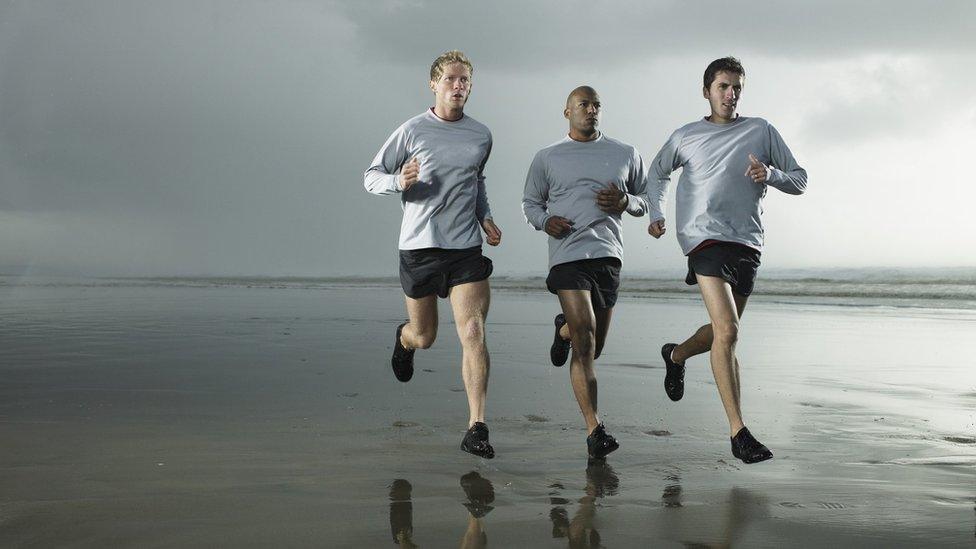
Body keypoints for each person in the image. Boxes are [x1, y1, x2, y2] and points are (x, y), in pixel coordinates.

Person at [646, 56, 807, 464]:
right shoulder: (687, 135)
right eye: (723, 86)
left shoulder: (761, 130)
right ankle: (738, 432)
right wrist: (657, 212)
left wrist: (770, 175)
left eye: (736, 87)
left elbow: (800, 179)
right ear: (707, 91)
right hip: (703, 238)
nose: (730, 94)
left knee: (724, 332)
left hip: (747, 242)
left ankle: (676, 354)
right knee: (729, 331)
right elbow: (658, 172)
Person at [364, 50, 502, 459]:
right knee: (426, 336)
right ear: (434, 84)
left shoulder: (482, 135)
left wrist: (486, 217)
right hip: (420, 248)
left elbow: (475, 182)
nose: (458, 86)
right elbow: (370, 177)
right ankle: (404, 340)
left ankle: (476, 426)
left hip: (465, 250)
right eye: (451, 79)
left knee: (473, 331)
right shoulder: (411, 130)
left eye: (465, 81)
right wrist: (398, 180)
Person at [522, 86, 649, 458]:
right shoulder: (547, 157)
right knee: (587, 337)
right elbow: (530, 203)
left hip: (608, 255)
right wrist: (545, 222)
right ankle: (594, 430)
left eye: (596, 105)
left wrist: (627, 201)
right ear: (567, 112)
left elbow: (648, 199)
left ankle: (562, 330)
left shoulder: (625, 153)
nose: (591, 110)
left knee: (594, 346)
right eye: (584, 104)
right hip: (567, 254)